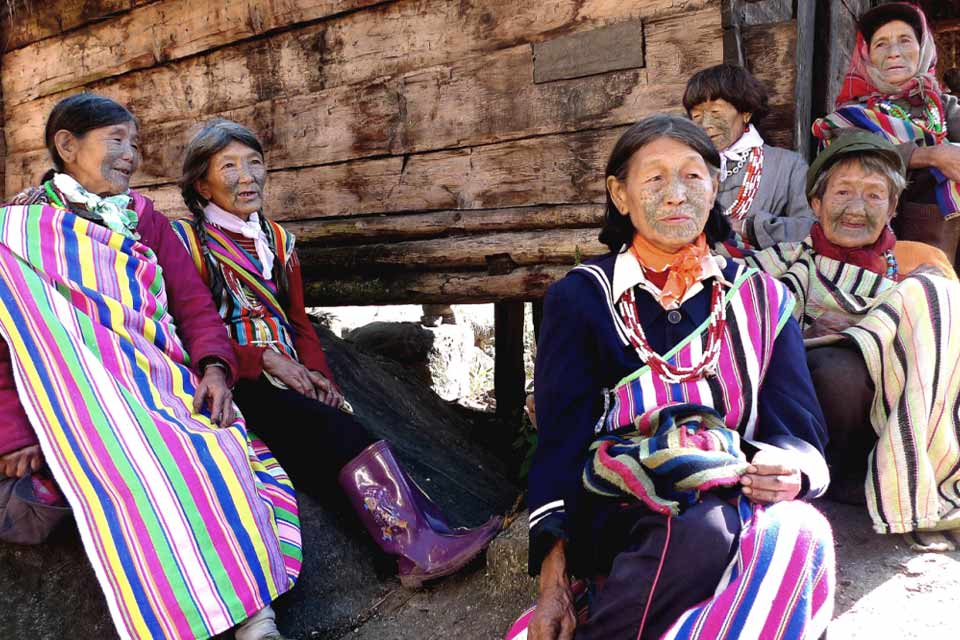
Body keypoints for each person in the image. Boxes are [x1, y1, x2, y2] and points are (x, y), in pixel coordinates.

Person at [511, 115, 834, 640]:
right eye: (655, 178)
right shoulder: (579, 297)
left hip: (732, 485)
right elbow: (560, 442)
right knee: (703, 531)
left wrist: (792, 468)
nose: (676, 194)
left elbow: (797, 428)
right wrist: (552, 584)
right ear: (620, 195)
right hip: (620, 500)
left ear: (713, 188)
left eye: (693, 175)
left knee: (799, 532)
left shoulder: (762, 298)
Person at [0, 94, 297, 640]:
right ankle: (179, 618)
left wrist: (213, 368)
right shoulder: (16, 230)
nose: (130, 156)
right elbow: (6, 341)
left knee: (220, 452)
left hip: (157, 376)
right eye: (116, 140)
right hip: (79, 399)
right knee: (143, 470)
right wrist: (14, 433)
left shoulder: (143, 218)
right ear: (67, 145)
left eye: (133, 144)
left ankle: (257, 618)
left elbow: (191, 303)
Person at [171, 118, 502, 590]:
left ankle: (420, 546)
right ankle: (414, 549)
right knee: (334, 434)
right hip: (236, 375)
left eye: (255, 163)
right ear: (202, 183)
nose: (247, 177)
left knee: (333, 426)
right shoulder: (188, 244)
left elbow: (299, 321)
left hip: (290, 374)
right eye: (230, 166)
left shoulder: (278, 241)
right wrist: (260, 359)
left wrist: (319, 374)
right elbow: (188, 325)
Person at [744, 132, 960, 550]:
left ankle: (912, 477)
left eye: (874, 195)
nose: (857, 208)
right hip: (827, 432)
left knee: (935, 298)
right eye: (842, 192)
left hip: (902, 416)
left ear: (893, 207)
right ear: (816, 204)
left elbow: (945, 349)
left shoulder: (922, 260)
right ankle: (843, 481)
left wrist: (876, 334)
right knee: (832, 369)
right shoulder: (785, 260)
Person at [813, 2, 960, 273]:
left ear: (923, 48)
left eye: (905, 41)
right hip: (871, 255)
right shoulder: (852, 115)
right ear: (867, 55)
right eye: (881, 44)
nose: (894, 52)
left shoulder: (944, 107)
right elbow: (852, 153)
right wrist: (934, 156)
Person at [683, 63, 815, 249]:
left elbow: (812, 228)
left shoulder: (787, 166)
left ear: (745, 113)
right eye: (696, 116)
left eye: (715, 112)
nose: (705, 124)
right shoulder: (685, 168)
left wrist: (751, 228)